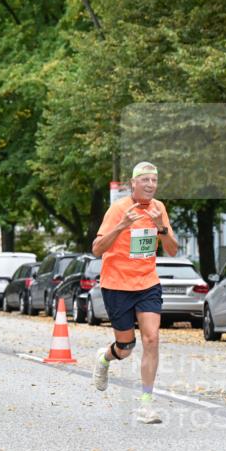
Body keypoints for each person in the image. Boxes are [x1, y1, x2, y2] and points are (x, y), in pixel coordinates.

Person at [90, 161, 179, 424]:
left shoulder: (159, 208)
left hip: (147, 283)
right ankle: (105, 358)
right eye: (145, 180)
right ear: (133, 184)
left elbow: (173, 249)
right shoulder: (118, 209)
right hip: (117, 285)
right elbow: (96, 249)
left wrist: (160, 226)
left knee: (151, 339)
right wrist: (121, 226)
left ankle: (146, 405)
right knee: (126, 346)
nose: (151, 185)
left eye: (154, 181)